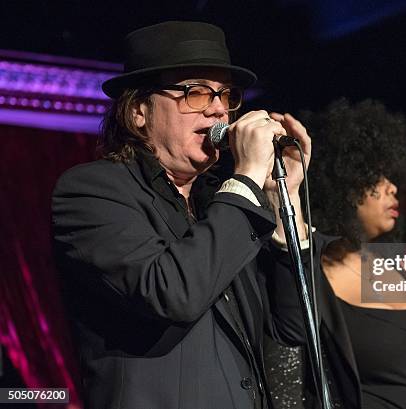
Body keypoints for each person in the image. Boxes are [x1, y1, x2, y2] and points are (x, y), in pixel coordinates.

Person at [52, 21, 312, 409]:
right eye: (196, 93)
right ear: (139, 111)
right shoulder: (93, 190)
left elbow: (290, 328)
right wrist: (244, 181)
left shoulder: (219, 204)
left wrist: (283, 199)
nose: (220, 109)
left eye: (225, 95)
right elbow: (171, 293)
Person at [266, 99, 406, 409]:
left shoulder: (398, 269)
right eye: (375, 176)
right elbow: (290, 341)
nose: (393, 188)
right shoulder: (308, 262)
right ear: (342, 181)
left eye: (393, 177)